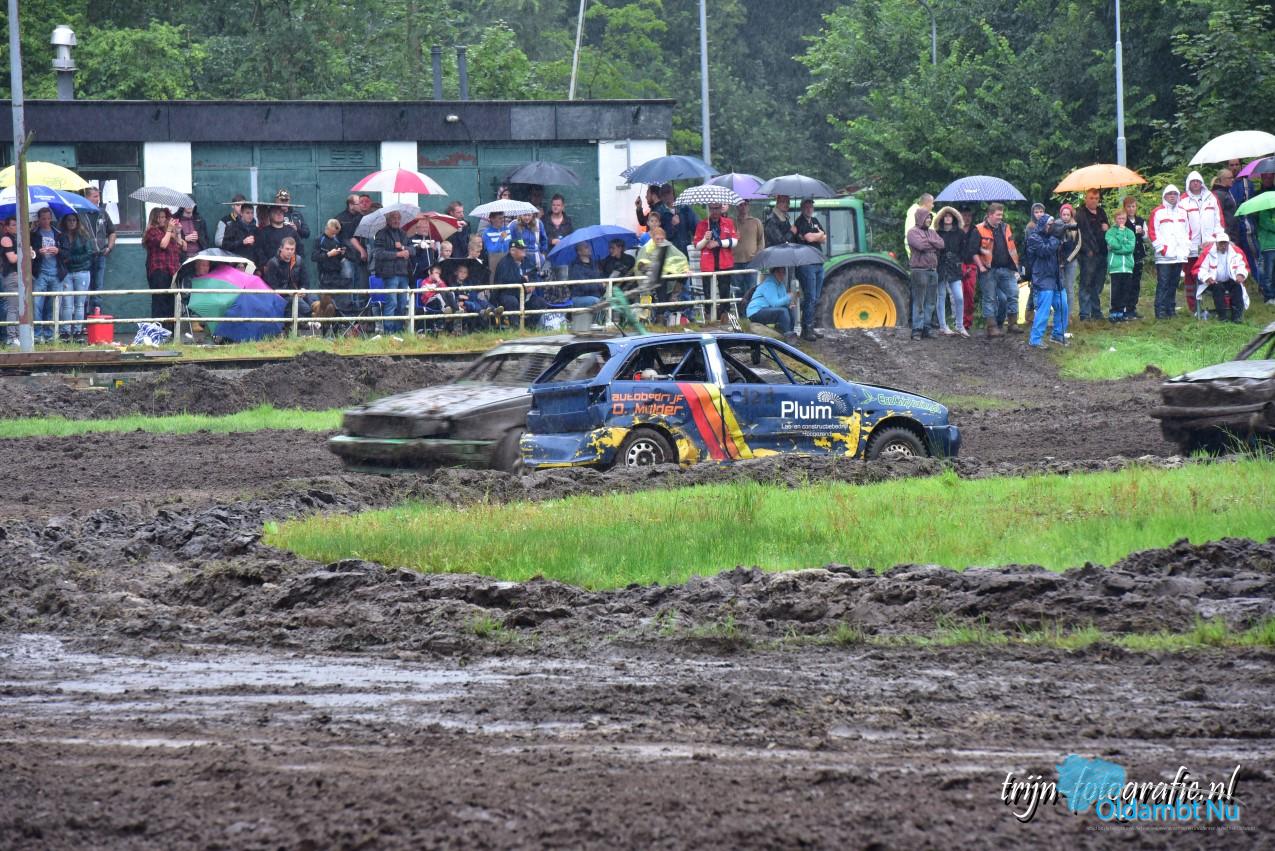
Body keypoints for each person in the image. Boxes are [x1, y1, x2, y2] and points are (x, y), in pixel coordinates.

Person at [973, 203, 1020, 336]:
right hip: (988, 270)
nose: (1001, 217)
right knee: (990, 298)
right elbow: (973, 251)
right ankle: (992, 327)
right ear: (990, 215)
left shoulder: (1006, 227)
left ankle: (1012, 324)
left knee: (1013, 294)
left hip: (1007, 268)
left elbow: (1012, 247)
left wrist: (1016, 267)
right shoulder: (979, 229)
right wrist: (981, 266)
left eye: (1001, 214)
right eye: (998, 215)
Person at [1182, 170, 1223, 316]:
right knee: (1190, 277)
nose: (1195, 183)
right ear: (1188, 183)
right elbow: (1180, 224)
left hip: (1209, 246)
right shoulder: (1183, 200)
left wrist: (1214, 240)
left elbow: (1219, 221)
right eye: (1193, 181)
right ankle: (1193, 307)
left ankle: (1220, 305)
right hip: (1190, 247)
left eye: (1198, 181)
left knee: (1214, 274)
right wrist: (1186, 243)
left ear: (1202, 183)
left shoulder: (1212, 198)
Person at [1025, 208, 1067, 348]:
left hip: (1056, 276)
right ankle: (1035, 339)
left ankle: (1058, 334)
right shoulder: (1034, 238)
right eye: (1049, 224)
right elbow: (1045, 251)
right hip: (1042, 277)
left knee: (1063, 305)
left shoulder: (1054, 237)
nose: (1052, 227)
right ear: (1043, 224)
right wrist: (1056, 237)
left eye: (1054, 224)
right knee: (1044, 310)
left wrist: (1062, 236)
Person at [1148, 185, 1192, 319]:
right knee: (1163, 283)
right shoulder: (1157, 212)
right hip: (1164, 256)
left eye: (1175, 193)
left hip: (1179, 254)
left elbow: (1188, 231)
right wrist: (1161, 249)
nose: (1172, 196)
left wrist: (1186, 248)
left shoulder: (1183, 212)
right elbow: (1152, 231)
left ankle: (1171, 309)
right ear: (1164, 196)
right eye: (1169, 194)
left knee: (1174, 283)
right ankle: (1160, 311)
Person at [1191, 230, 1250, 323]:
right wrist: (1207, 277)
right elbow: (1200, 269)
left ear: (1228, 243)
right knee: (1218, 288)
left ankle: (1237, 316)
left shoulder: (1236, 251)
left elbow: (1243, 266)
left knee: (1237, 286)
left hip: (1230, 279)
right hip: (1213, 281)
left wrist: (1240, 274)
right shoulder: (1207, 252)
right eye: (1221, 243)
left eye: (1225, 243)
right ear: (1216, 244)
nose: (1223, 246)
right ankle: (1222, 317)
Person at [693, 202, 739, 321]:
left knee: (725, 291)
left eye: (717, 208)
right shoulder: (702, 224)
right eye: (712, 208)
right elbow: (697, 246)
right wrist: (705, 239)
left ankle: (724, 316)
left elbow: (734, 241)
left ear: (721, 208)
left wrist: (718, 243)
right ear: (708, 209)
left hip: (725, 262)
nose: (714, 211)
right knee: (707, 292)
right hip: (707, 263)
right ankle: (709, 318)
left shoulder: (728, 222)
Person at [634, 228, 690, 321]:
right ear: (653, 238)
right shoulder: (646, 248)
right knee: (660, 294)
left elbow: (681, 257)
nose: (660, 241)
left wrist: (685, 269)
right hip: (650, 279)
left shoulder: (668, 245)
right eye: (657, 239)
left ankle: (674, 296)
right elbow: (640, 265)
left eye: (662, 239)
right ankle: (656, 318)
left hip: (664, 274)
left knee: (683, 276)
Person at [906, 207, 945, 339]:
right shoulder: (912, 232)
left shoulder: (932, 232)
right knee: (919, 302)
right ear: (920, 218)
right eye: (927, 217)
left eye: (930, 217)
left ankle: (926, 329)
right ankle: (917, 330)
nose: (929, 219)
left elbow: (942, 244)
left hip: (933, 270)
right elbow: (920, 246)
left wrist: (930, 242)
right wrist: (933, 245)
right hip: (919, 270)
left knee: (931, 302)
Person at [142, 208, 183, 333]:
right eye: (159, 217)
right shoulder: (152, 232)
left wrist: (178, 232)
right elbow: (163, 244)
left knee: (171, 302)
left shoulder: (167, 232)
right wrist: (169, 230)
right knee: (160, 301)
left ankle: (170, 332)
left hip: (172, 270)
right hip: (159, 270)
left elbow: (181, 245)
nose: (163, 220)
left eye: (164, 217)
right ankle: (158, 331)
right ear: (154, 218)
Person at [791, 198, 827, 340]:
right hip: (806, 264)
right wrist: (819, 234)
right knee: (810, 296)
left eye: (811, 207)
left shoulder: (815, 221)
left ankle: (810, 326)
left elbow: (824, 239)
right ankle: (807, 329)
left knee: (816, 297)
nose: (809, 209)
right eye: (806, 207)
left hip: (818, 262)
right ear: (802, 208)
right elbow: (809, 238)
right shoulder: (800, 222)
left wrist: (818, 236)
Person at [373, 210, 415, 332]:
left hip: (404, 273)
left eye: (398, 218)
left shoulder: (403, 233)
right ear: (387, 220)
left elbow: (413, 250)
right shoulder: (381, 234)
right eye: (393, 218)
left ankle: (399, 330)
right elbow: (378, 254)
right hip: (390, 274)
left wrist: (404, 248)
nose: (396, 220)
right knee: (392, 303)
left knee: (402, 304)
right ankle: (389, 331)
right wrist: (397, 254)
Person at [264, 237, 322, 324]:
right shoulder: (273, 263)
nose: (290, 252)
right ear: (281, 248)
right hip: (282, 296)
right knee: (303, 305)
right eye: (287, 249)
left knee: (314, 298)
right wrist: (289, 292)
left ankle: (320, 314)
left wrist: (303, 289)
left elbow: (305, 280)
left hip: (298, 292)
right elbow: (272, 287)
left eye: (292, 249)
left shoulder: (298, 260)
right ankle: (313, 317)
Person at [58, 213, 93, 343]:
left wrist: (71, 259)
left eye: (74, 220)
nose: (72, 222)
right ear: (65, 222)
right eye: (69, 220)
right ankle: (65, 332)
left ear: (78, 222)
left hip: (82, 271)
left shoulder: (84, 236)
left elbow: (89, 253)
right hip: (66, 273)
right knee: (67, 304)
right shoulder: (61, 236)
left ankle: (78, 331)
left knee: (79, 304)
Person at [1074, 189, 1109, 321]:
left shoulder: (1101, 212)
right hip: (1087, 254)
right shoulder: (1080, 214)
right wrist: (1085, 250)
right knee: (1086, 283)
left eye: (1096, 198)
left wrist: (1107, 227)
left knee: (1098, 283)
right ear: (1086, 199)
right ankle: (1084, 313)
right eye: (1091, 198)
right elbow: (1077, 235)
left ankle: (1096, 311)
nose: (1094, 200)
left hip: (1102, 252)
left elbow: (1107, 227)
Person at [933, 206, 967, 337]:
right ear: (941, 218)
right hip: (940, 266)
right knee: (941, 297)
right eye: (945, 216)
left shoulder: (960, 233)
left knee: (959, 297)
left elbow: (964, 250)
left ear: (954, 218)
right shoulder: (936, 233)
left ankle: (960, 326)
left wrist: (958, 260)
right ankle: (943, 326)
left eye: (950, 216)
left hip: (954, 267)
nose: (947, 218)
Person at [81, 186, 116, 314]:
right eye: (95, 196)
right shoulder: (80, 214)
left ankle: (97, 313)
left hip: (100, 255)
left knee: (98, 286)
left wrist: (109, 247)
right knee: (84, 286)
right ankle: (84, 316)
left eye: (98, 196)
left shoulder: (103, 213)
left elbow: (112, 232)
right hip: (84, 256)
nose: (98, 199)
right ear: (86, 198)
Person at [312, 218, 352, 319]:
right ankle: (321, 319)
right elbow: (314, 257)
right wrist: (328, 254)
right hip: (324, 275)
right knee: (326, 303)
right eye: (332, 233)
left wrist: (341, 253)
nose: (334, 235)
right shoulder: (319, 239)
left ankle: (338, 321)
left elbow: (340, 257)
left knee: (339, 301)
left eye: (336, 233)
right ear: (327, 228)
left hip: (337, 274)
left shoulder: (336, 239)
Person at [746, 266, 796, 338]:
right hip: (755, 312)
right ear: (774, 273)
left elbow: (782, 301)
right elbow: (775, 304)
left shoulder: (781, 285)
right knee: (783, 311)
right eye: (779, 272)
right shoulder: (769, 284)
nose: (782, 275)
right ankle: (788, 336)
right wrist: (788, 297)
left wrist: (789, 304)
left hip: (766, 309)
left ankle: (790, 334)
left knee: (789, 310)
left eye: (783, 272)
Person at [1106, 208, 1137, 322]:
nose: (1121, 220)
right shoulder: (1110, 232)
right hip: (1115, 266)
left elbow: (1130, 248)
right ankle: (1114, 312)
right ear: (1115, 219)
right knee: (1116, 291)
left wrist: (1117, 249)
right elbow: (1114, 244)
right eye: (1119, 218)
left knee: (1125, 290)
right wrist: (1120, 232)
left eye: (1123, 218)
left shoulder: (1130, 232)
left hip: (1127, 267)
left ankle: (1122, 312)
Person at [2, 216, 29, 345]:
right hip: (11, 275)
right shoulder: (6, 239)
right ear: (7, 227)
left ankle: (18, 335)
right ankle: (11, 337)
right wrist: (26, 253)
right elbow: (12, 258)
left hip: (20, 274)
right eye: (13, 225)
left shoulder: (18, 238)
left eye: (17, 224)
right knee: (12, 307)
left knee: (20, 307)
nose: (16, 227)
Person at [1120, 196, 1147, 320]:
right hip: (1127, 256)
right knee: (1127, 283)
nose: (1131, 209)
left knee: (1136, 283)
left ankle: (1132, 308)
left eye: (1133, 206)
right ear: (1125, 208)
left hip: (1139, 255)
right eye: (1129, 206)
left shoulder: (1140, 220)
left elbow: (1146, 237)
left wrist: (1143, 233)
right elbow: (1119, 236)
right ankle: (1124, 308)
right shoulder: (1122, 221)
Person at [255, 204, 300, 271]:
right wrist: (265, 265)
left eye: (281, 212)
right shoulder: (263, 232)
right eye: (276, 212)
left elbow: (300, 249)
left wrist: (296, 265)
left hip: (289, 269)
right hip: (271, 269)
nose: (279, 214)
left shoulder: (291, 231)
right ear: (270, 215)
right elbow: (259, 251)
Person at [1056, 203, 1081, 319]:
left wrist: (1067, 260)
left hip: (1071, 261)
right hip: (1058, 261)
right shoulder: (1056, 225)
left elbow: (1078, 245)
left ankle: (1068, 314)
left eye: (1068, 214)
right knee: (1059, 287)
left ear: (1071, 215)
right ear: (1060, 215)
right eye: (1063, 214)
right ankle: (1059, 313)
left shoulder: (1075, 227)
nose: (1065, 217)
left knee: (1069, 287)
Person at [658, 183, 698, 255]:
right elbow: (660, 236)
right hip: (670, 252)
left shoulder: (684, 208)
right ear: (661, 197)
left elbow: (695, 226)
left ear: (673, 193)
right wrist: (672, 226)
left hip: (685, 250)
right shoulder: (659, 213)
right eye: (664, 195)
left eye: (669, 193)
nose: (667, 197)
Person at [958, 207, 979, 331]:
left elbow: (976, 249)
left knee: (970, 295)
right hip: (958, 264)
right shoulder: (956, 230)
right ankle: (958, 322)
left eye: (969, 216)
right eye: (964, 215)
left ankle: (967, 322)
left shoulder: (975, 230)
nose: (967, 218)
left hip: (971, 265)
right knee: (958, 295)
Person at [566, 243, 604, 313]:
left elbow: (599, 279)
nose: (589, 248)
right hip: (579, 297)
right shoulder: (575, 266)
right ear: (579, 252)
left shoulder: (594, 264)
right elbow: (584, 286)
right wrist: (600, 284)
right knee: (598, 302)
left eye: (589, 246)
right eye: (586, 247)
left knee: (610, 299)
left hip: (596, 295)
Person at [511, 211, 549, 281]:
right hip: (521, 258)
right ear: (520, 215)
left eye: (529, 215)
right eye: (524, 215)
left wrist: (542, 254)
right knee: (523, 280)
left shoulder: (538, 223)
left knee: (537, 281)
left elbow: (544, 240)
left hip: (536, 258)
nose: (527, 217)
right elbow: (510, 241)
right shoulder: (514, 225)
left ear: (533, 215)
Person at [544, 194, 574, 279]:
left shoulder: (568, 221)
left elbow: (571, 238)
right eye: (553, 205)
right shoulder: (544, 220)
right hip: (548, 257)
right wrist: (551, 241)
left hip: (563, 258)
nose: (555, 207)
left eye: (558, 205)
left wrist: (564, 242)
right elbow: (539, 238)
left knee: (562, 282)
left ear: (563, 206)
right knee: (546, 283)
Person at [481, 211, 512, 283]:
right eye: (500, 218)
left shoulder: (507, 230)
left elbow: (510, 246)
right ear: (492, 219)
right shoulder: (487, 233)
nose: (502, 220)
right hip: (494, 262)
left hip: (508, 260)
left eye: (503, 218)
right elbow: (491, 250)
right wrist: (500, 240)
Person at [732, 199, 764, 266]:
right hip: (735, 261)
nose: (743, 207)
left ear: (749, 206)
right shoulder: (732, 222)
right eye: (741, 205)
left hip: (752, 261)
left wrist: (757, 255)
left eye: (745, 204)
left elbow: (761, 241)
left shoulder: (756, 222)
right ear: (737, 207)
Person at [902, 193, 935, 260]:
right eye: (932, 203)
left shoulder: (929, 214)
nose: (933, 206)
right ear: (927, 203)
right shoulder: (914, 214)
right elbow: (910, 235)